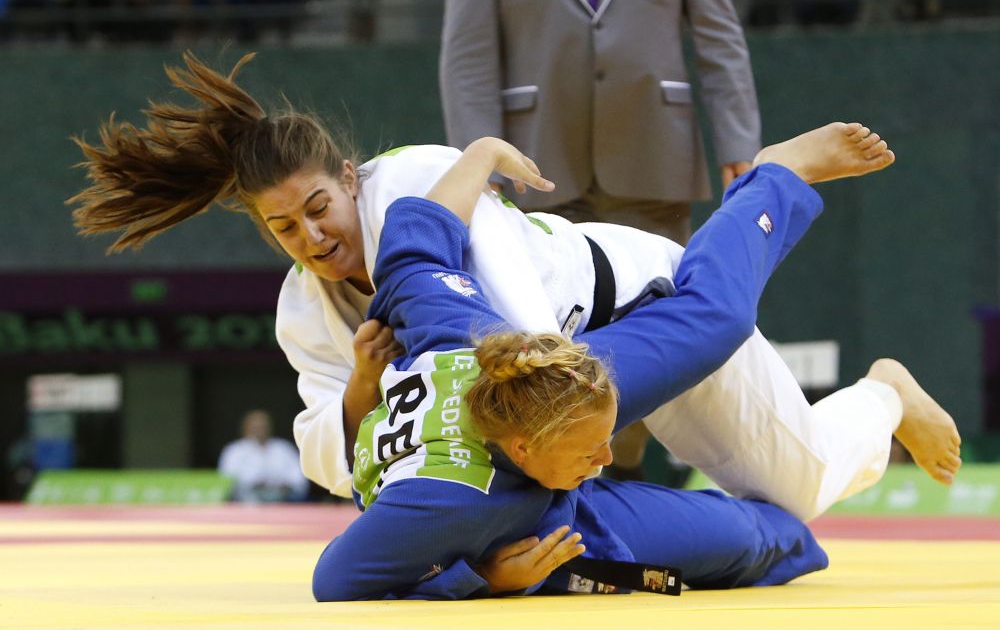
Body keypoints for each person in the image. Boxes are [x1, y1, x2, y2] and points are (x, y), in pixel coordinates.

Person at [68, 52, 960, 528]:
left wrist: (536, 436)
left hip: (616, 314)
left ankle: (781, 201)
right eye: (285, 230)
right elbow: (330, 457)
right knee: (785, 499)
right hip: (561, 388)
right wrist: (358, 396)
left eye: (318, 208)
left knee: (787, 480)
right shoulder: (304, 309)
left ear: (350, 175)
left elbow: (530, 345)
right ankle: (878, 396)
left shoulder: (419, 183)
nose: (315, 238)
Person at [311, 129, 950, 599]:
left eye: (604, 436)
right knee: (765, 531)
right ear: (526, 452)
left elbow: (415, 237)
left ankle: (775, 178)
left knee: (719, 322)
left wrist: (479, 154)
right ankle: (853, 433)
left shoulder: (462, 339)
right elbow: (333, 578)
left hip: (550, 377)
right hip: (548, 526)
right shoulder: (442, 504)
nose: (610, 456)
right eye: (593, 447)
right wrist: (480, 576)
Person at [438, 0, 762, 478]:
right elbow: (467, 50)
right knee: (539, 335)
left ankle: (622, 472)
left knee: (653, 324)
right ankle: (550, 480)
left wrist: (739, 140)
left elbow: (718, 33)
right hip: (533, 164)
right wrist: (480, 159)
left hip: (653, 155)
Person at [218, 409, 310, 503]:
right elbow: (226, 481)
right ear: (245, 427)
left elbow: (300, 479)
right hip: (245, 504)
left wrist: (283, 485)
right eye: (255, 426)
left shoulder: (284, 448)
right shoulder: (234, 451)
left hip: (284, 503)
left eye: (263, 426)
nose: (259, 429)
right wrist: (254, 483)